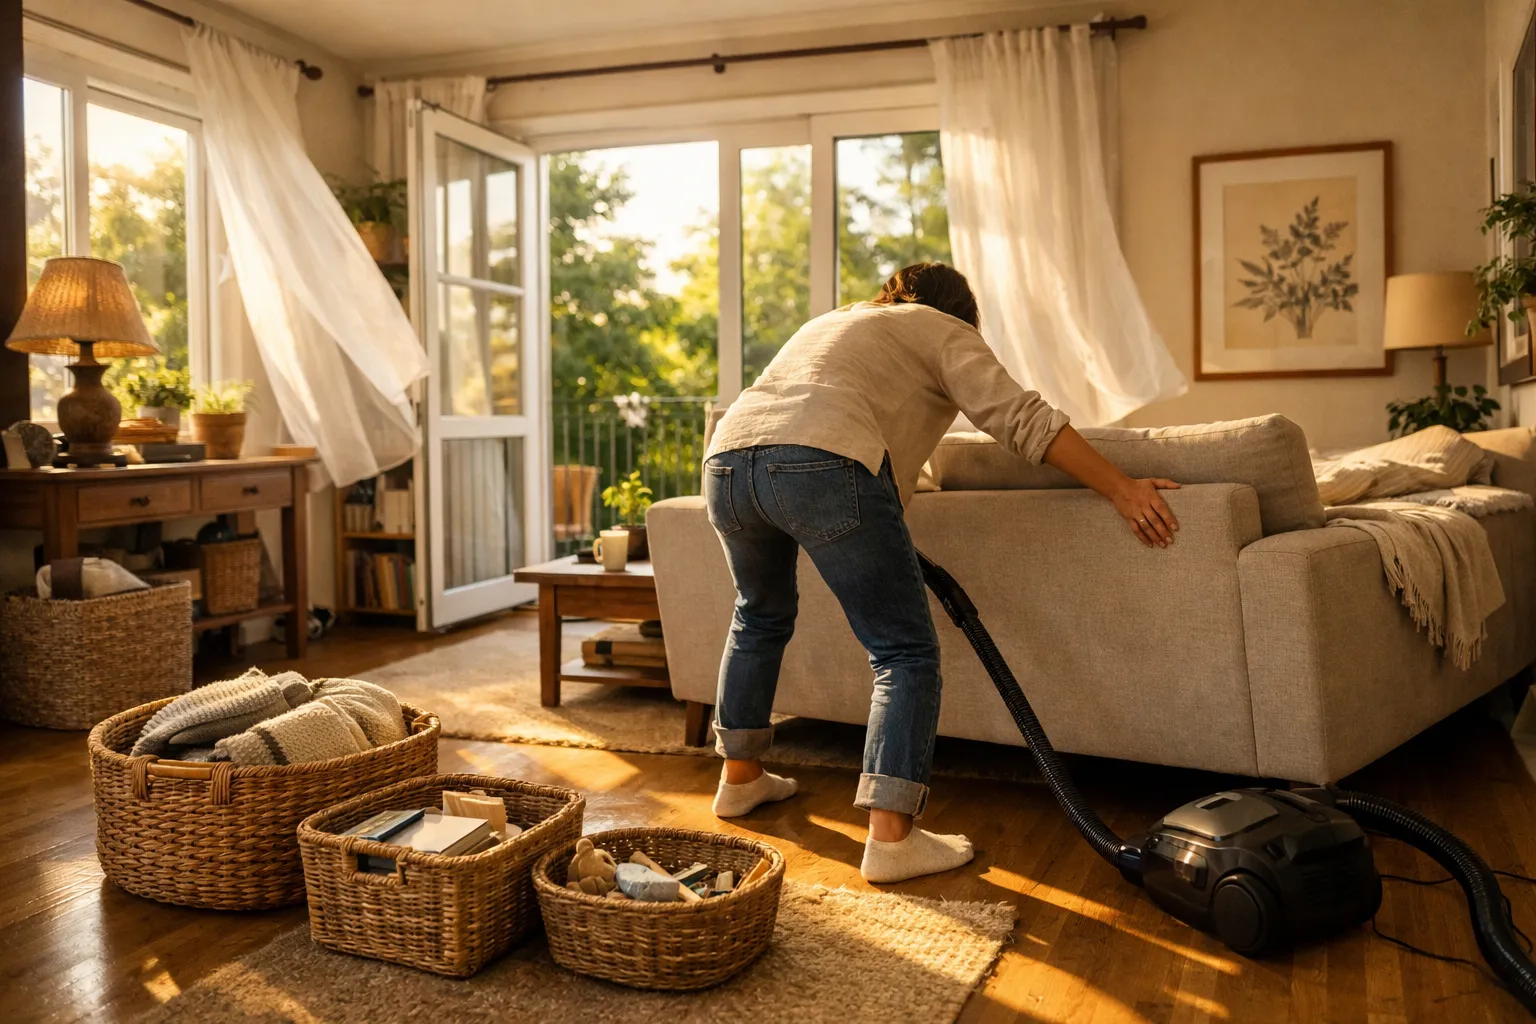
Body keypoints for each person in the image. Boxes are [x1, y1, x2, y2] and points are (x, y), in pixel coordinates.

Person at [702, 262, 1180, 884]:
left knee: (759, 616)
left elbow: (865, 442)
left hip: (727, 463)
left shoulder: (834, 323)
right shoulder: (939, 326)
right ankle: (892, 839)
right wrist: (1120, 487)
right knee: (902, 651)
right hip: (822, 461)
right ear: (961, 313)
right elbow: (1019, 416)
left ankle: (739, 778)